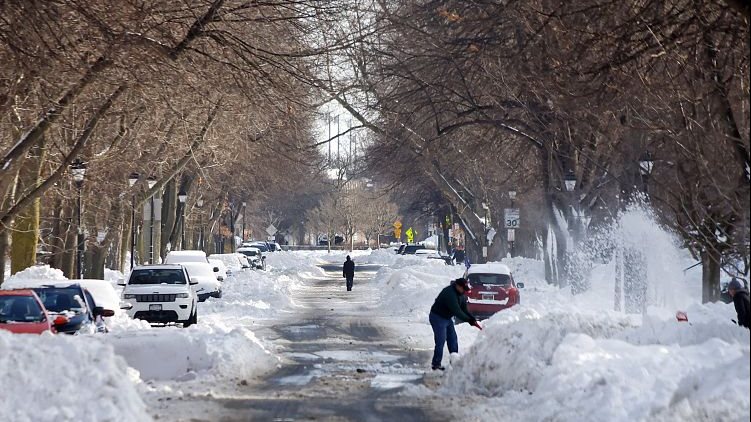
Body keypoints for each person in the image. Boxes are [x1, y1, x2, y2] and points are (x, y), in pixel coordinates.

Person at [428, 278, 482, 370]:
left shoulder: (461, 294)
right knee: (441, 340)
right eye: (463, 289)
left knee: (453, 339)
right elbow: (457, 311)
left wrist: (472, 318)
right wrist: (469, 320)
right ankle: (436, 364)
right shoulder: (449, 293)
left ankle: (455, 362)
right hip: (437, 317)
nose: (464, 291)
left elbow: (464, 309)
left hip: (447, 318)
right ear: (458, 286)